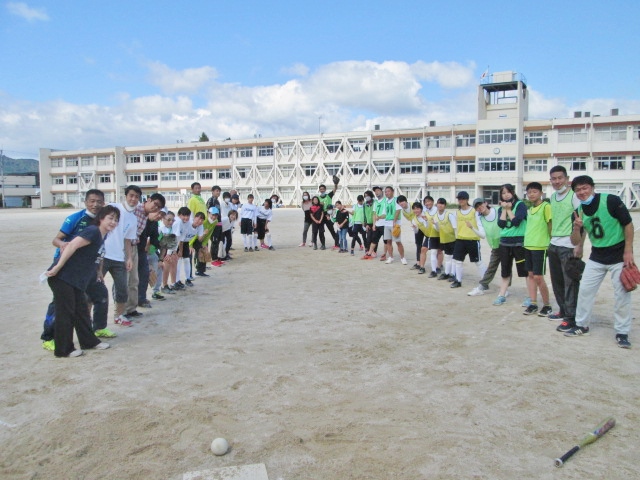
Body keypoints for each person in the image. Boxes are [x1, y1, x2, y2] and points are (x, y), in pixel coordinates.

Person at [564, 175, 635, 348]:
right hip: (597, 255)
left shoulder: (610, 200)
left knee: (622, 294)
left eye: (585, 188)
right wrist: (577, 228)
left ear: (592, 187)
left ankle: (622, 332)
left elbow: (628, 224)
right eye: (578, 190)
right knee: (585, 290)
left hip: (618, 254)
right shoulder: (578, 212)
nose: (582, 192)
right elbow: (574, 241)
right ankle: (581, 325)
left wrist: (628, 251)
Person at [41, 189, 113, 351]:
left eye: (99, 201)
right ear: (86, 202)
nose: (95, 204)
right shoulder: (76, 219)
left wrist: (99, 271)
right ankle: (49, 337)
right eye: (92, 201)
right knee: (61, 305)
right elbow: (58, 240)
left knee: (94, 298)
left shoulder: (102, 225)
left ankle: (92, 336)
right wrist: (63, 248)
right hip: (67, 268)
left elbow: (99, 251)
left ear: (103, 203)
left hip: (85, 271)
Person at [547, 166, 582, 331]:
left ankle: (571, 317)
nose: (557, 181)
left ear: (567, 179)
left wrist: (579, 245)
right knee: (557, 281)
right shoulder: (553, 197)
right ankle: (563, 309)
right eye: (553, 178)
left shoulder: (574, 196)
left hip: (568, 245)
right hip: (554, 244)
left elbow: (581, 222)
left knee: (571, 283)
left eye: (560, 178)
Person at [102, 186, 139, 327]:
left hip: (119, 257)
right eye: (131, 195)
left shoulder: (133, 218)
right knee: (94, 288)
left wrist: (128, 258)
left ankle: (119, 315)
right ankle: (88, 318)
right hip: (103, 255)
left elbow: (127, 240)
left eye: (136, 197)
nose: (133, 199)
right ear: (126, 196)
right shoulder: (113, 208)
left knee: (122, 289)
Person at [493, 184, 529, 306]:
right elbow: (501, 224)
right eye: (503, 193)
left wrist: (508, 209)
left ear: (513, 192)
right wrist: (504, 209)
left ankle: (530, 296)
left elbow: (516, 221)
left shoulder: (520, 205)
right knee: (505, 271)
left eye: (508, 192)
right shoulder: (500, 209)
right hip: (504, 243)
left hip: (519, 242)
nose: (506, 195)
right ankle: (501, 295)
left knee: (525, 271)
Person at [522, 182, 553, 316]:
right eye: (529, 192)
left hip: (540, 246)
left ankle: (547, 305)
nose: (531, 194)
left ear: (541, 193)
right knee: (530, 275)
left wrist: (551, 242)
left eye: (534, 192)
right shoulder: (530, 209)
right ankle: (533, 303)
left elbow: (550, 225)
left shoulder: (546, 206)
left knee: (538, 277)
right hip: (528, 245)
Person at [468, 198, 506, 296]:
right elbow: (483, 235)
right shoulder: (480, 219)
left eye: (481, 204)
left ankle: (505, 289)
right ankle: (483, 286)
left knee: (506, 266)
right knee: (491, 267)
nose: (480, 207)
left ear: (486, 203)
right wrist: (472, 228)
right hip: (495, 245)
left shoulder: (498, 210)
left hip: (506, 242)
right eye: (477, 207)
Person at [450, 191, 486, 288]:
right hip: (460, 239)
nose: (461, 200)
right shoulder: (457, 213)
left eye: (463, 199)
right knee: (458, 261)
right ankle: (458, 280)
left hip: (472, 240)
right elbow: (455, 227)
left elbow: (479, 224)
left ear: (467, 200)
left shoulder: (474, 211)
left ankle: (485, 281)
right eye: (459, 199)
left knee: (478, 261)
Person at [381, 186, 407, 265]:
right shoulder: (385, 201)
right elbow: (384, 214)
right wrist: (378, 217)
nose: (387, 193)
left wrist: (394, 221)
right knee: (388, 241)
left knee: (398, 241)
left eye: (388, 191)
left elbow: (398, 210)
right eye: (385, 192)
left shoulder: (396, 200)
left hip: (395, 224)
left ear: (392, 191)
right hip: (387, 224)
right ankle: (390, 257)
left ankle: (402, 258)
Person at [434, 198, 457, 281]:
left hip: (452, 239)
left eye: (442, 204)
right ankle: (447, 273)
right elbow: (437, 229)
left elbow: (455, 227)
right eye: (438, 203)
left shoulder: (449, 215)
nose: (440, 205)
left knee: (454, 258)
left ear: (445, 205)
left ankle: (453, 274)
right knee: (447, 256)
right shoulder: (435, 216)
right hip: (444, 239)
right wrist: (436, 224)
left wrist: (457, 239)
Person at [158, 211, 180, 294]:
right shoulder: (160, 228)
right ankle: (164, 285)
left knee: (173, 260)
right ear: (163, 219)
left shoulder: (171, 228)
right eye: (169, 220)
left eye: (172, 220)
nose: (171, 222)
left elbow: (174, 242)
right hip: (157, 249)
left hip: (166, 248)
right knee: (166, 262)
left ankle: (171, 283)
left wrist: (172, 252)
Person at [362, 186, 385, 260]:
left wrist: (375, 223)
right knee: (369, 238)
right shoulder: (365, 204)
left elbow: (375, 213)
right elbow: (364, 214)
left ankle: (374, 251)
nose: (366, 197)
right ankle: (369, 251)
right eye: (365, 196)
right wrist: (365, 224)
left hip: (376, 222)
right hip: (369, 223)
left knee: (375, 238)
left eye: (367, 195)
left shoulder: (375, 202)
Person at [422, 196, 442, 277]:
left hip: (439, 234)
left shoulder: (437, 210)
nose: (427, 203)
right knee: (433, 252)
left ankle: (438, 267)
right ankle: (434, 270)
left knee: (439, 251)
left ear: (433, 202)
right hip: (431, 234)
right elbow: (426, 225)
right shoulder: (425, 212)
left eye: (429, 201)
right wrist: (426, 221)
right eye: (425, 202)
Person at [318, 180, 340, 249]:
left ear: (325, 189)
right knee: (321, 231)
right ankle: (323, 245)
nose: (322, 190)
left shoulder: (329, 195)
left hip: (328, 214)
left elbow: (335, 189)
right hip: (321, 215)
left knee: (332, 230)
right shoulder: (318, 198)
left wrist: (336, 184)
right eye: (320, 189)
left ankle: (337, 243)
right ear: (319, 190)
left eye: (323, 189)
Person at [206, 186, 224, 266]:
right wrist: (211, 223)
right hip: (214, 224)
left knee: (219, 241)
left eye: (219, 191)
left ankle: (217, 258)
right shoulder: (211, 200)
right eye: (217, 191)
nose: (218, 192)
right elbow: (208, 212)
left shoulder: (217, 201)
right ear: (212, 191)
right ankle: (213, 260)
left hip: (219, 223)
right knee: (214, 242)